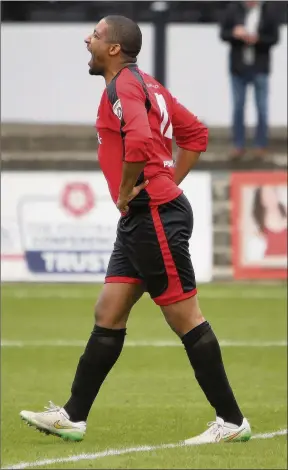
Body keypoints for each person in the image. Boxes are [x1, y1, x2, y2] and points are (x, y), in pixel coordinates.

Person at [20, 15, 251, 445]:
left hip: (154, 216)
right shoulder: (150, 85)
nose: (87, 38)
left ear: (113, 49)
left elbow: (142, 142)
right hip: (143, 216)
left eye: (95, 34)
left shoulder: (124, 86)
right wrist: (163, 182)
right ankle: (72, 415)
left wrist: (132, 188)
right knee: (108, 311)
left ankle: (232, 421)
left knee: (186, 318)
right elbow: (195, 135)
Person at [220, 1, 280, 160]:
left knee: (262, 107)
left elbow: (274, 38)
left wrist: (258, 39)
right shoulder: (234, 8)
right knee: (238, 107)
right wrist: (235, 34)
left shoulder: (269, 10)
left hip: (260, 67)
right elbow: (223, 34)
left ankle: (260, 145)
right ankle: (238, 145)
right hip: (239, 68)